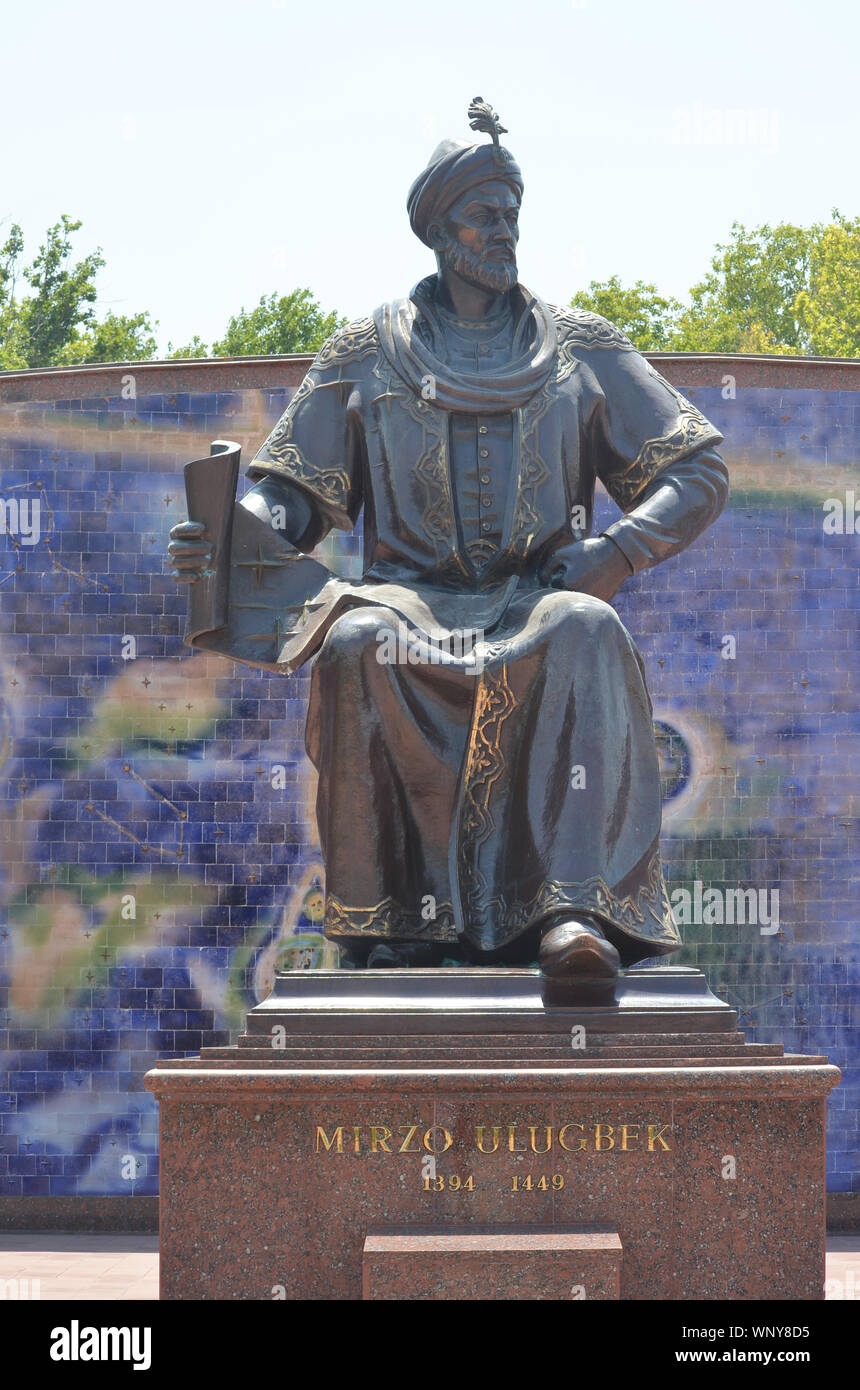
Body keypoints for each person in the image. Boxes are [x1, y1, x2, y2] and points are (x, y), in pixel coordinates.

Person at [169, 99, 729, 1001]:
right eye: (485, 213)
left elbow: (697, 469)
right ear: (439, 229)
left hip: (537, 596)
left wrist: (617, 551)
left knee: (585, 629)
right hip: (409, 602)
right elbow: (291, 496)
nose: (505, 229)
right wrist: (236, 535)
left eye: (513, 211)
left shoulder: (582, 346)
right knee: (357, 642)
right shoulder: (364, 352)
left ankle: (571, 915)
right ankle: (385, 928)